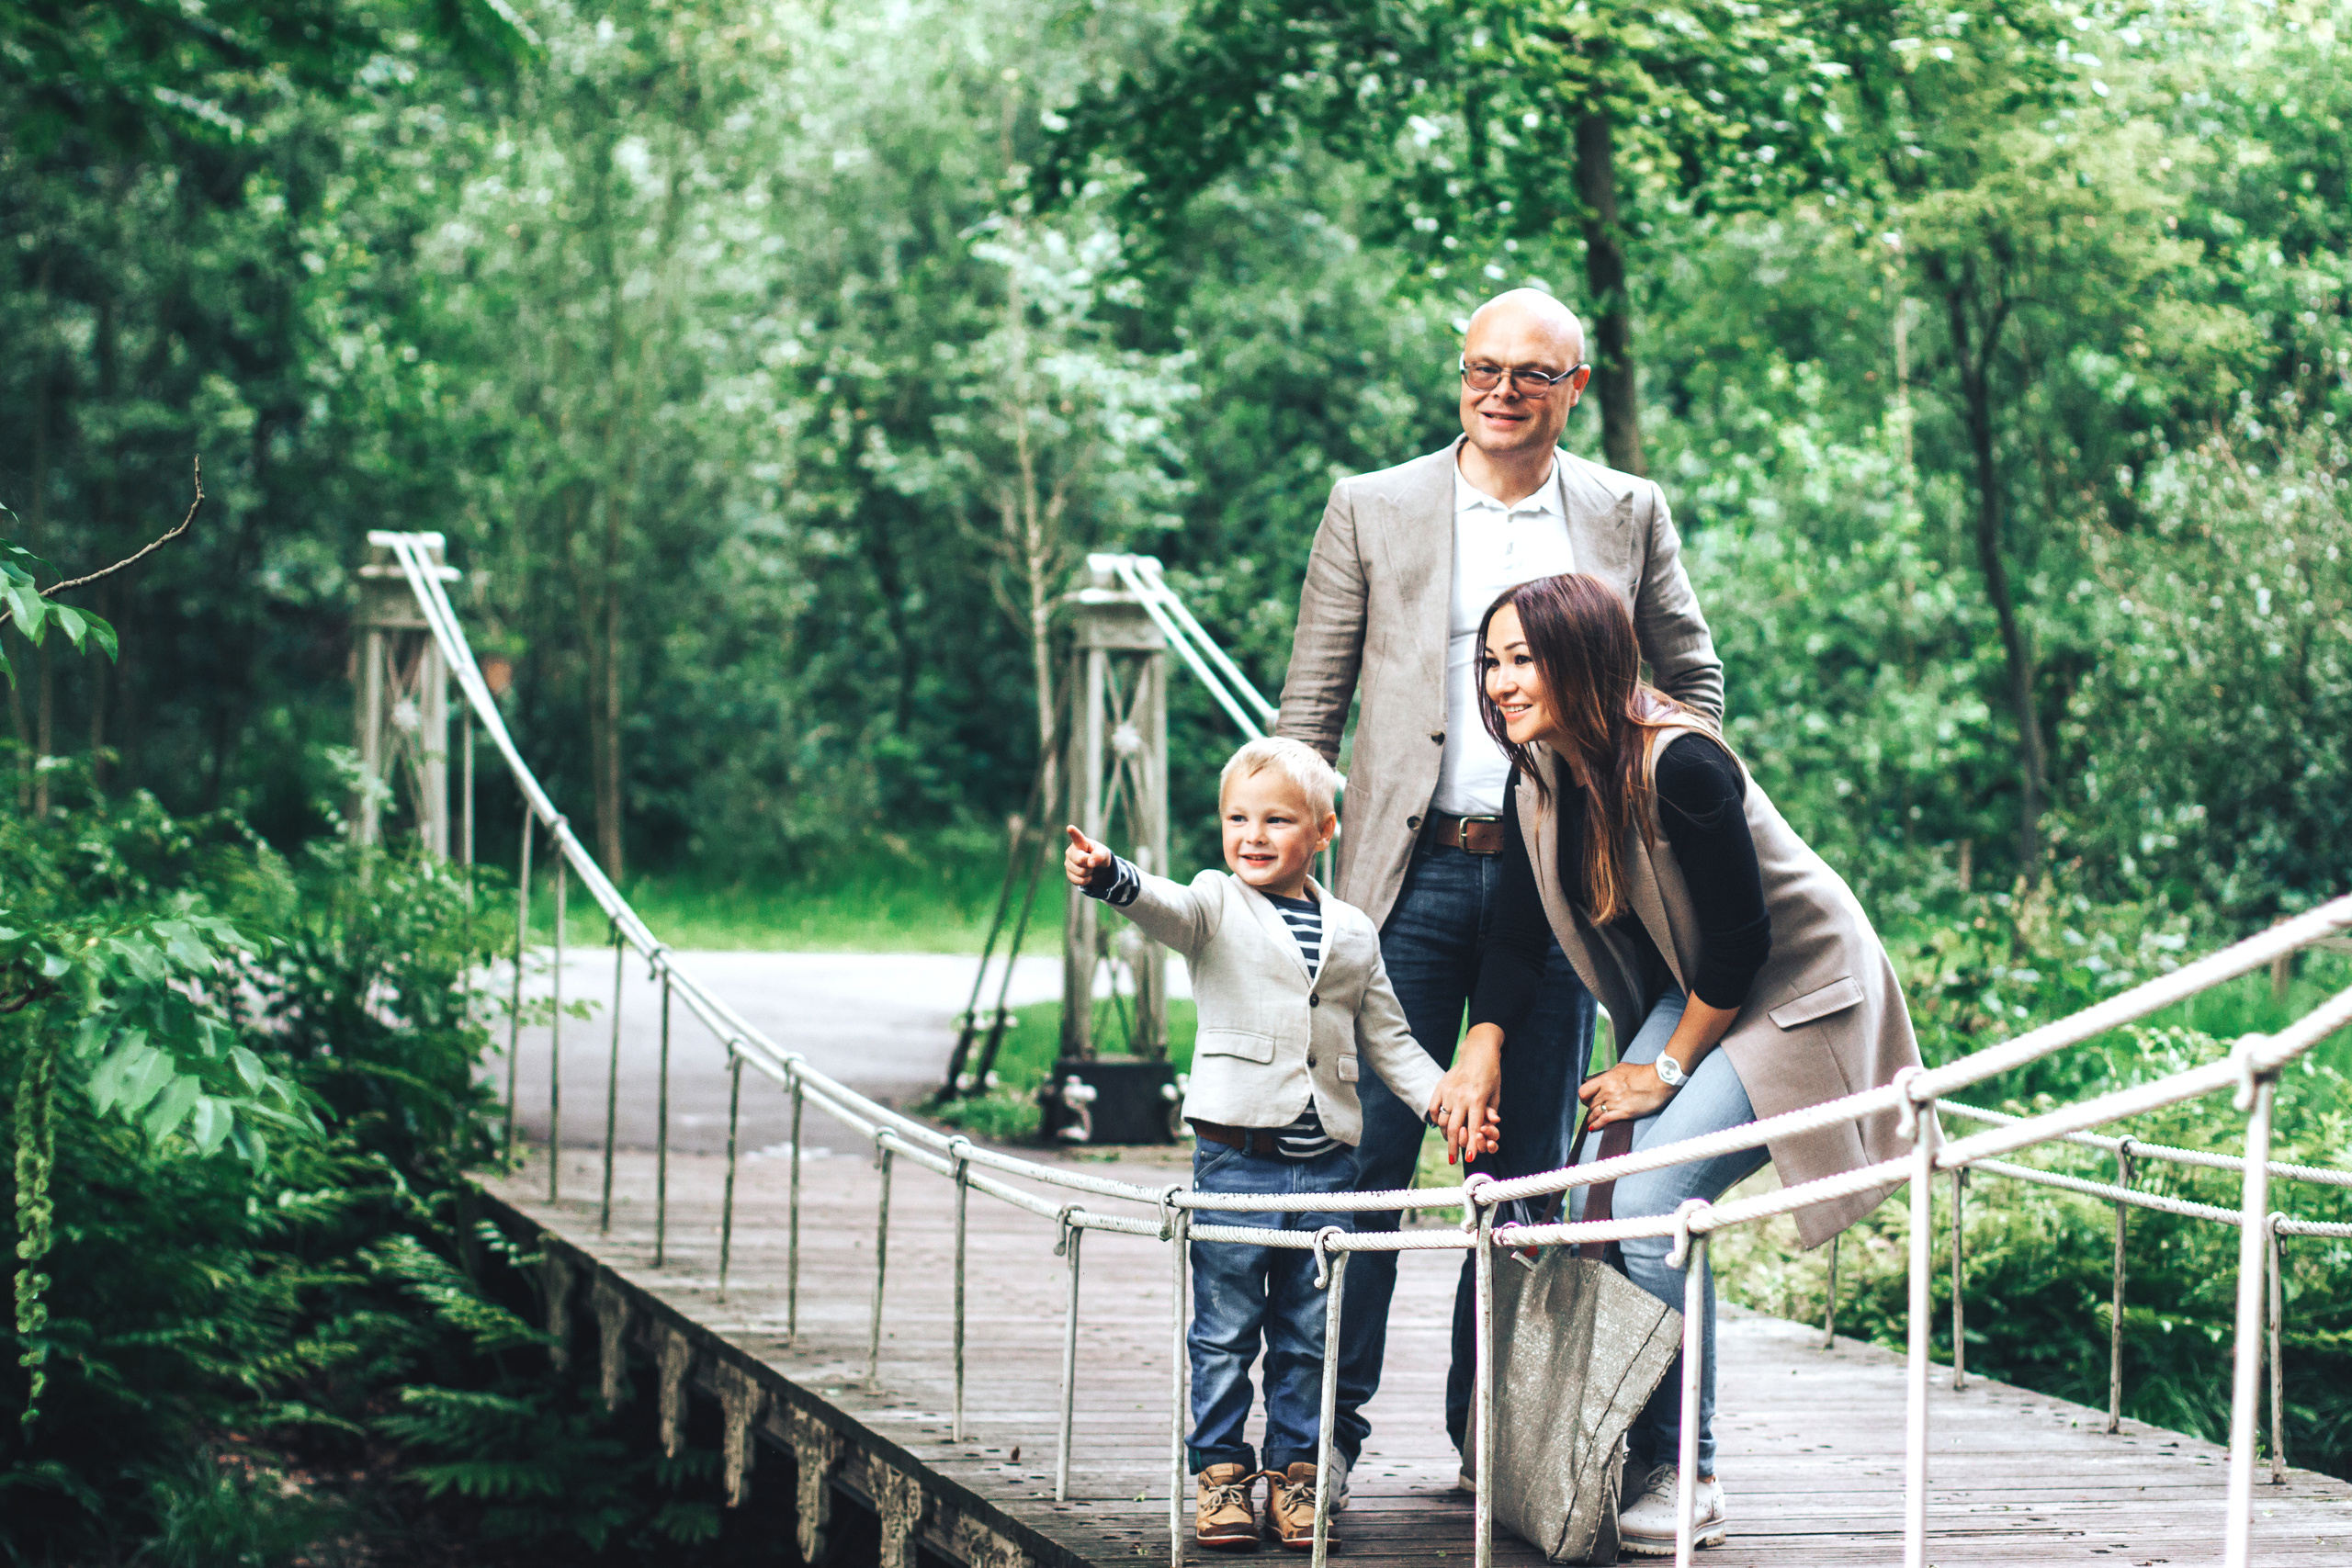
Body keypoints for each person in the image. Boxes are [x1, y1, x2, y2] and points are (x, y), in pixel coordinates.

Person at [1274, 288, 1724, 1479]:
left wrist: (1639, 823)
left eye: (1533, 371)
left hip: (1563, 888)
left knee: (1521, 1175)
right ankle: (1317, 1440)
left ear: (1574, 387)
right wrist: (1284, 892)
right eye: (1483, 365)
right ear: (1458, 372)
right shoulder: (1371, 506)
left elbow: (1694, 681)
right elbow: (1307, 712)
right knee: (1362, 1156)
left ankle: (1499, 1446)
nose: (1502, 388)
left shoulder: (1630, 512)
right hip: (1400, 880)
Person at [1430, 573, 1923, 1555]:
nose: (1500, 682)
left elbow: (1741, 941)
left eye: (1522, 658)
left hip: (1790, 990)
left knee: (1654, 1201)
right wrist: (1478, 1047)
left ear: (1584, 660)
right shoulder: (1539, 774)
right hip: (1703, 986)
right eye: (1490, 661)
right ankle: (1615, 1447)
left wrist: (1660, 1073)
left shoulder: (1682, 762)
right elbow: (1517, 939)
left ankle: (1683, 1472)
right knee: (1592, 1200)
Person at [1064, 738, 1480, 1551]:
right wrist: (1114, 876)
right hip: (1235, 1157)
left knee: (1308, 1327)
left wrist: (1443, 1098)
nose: (1252, 835)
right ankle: (1221, 1475)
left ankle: (1296, 1474)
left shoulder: (1354, 931)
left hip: (1326, 1161)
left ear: (1323, 830)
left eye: (1277, 820)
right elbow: (1165, 908)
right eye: (1237, 818)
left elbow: (1390, 1038)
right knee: (1224, 1326)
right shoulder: (1215, 902)